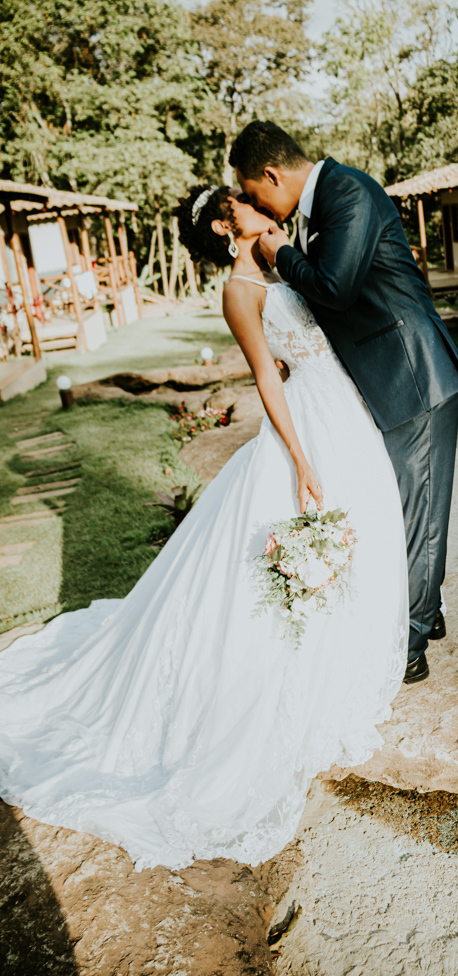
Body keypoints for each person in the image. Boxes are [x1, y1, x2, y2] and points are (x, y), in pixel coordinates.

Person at [0, 186, 408, 870]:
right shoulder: (237, 290)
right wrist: (300, 459)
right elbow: (267, 379)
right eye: (240, 203)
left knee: (365, 525)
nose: (257, 204)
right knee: (297, 558)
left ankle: (352, 657)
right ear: (223, 225)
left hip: (342, 407)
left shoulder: (285, 261)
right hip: (306, 425)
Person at [230, 121, 458, 684]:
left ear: (272, 174)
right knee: (410, 504)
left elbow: (335, 287)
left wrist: (281, 252)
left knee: (418, 512)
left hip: (413, 373)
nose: (255, 204)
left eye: (253, 191)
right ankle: (427, 611)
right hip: (389, 377)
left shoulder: (346, 191)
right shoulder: (321, 204)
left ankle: (410, 644)